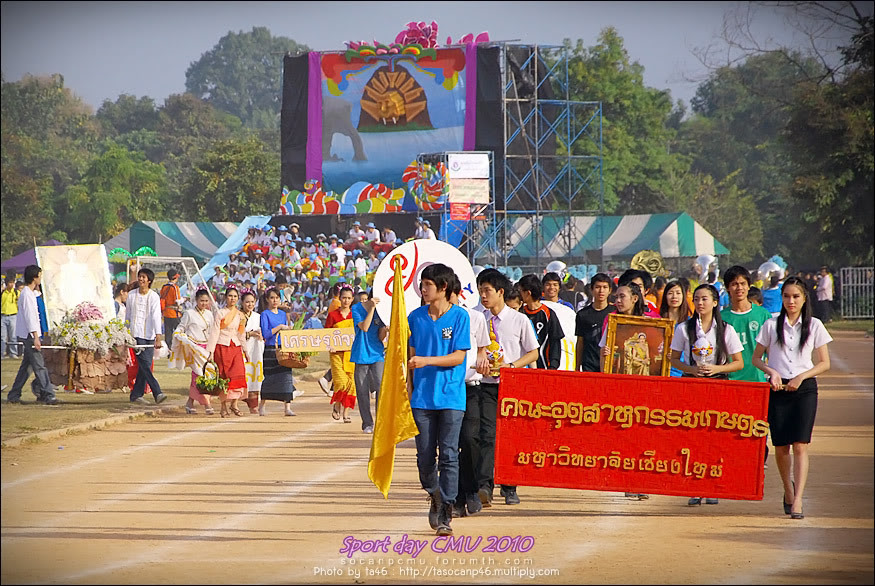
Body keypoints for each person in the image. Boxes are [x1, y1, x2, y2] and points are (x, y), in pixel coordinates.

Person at [752, 276, 832, 520]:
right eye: (786, 296)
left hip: (804, 388)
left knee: (800, 444)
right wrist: (772, 372)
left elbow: (824, 363)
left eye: (796, 296)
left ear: (804, 298)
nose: (791, 301)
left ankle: (798, 500)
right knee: (781, 446)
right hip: (778, 389)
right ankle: (788, 490)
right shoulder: (771, 324)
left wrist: (801, 377)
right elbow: (756, 358)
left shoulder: (815, 325)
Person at [407, 263, 472, 536]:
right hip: (421, 398)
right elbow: (409, 357)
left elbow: (459, 356)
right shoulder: (415, 317)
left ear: (443, 287)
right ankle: (433, 492)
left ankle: (446, 508)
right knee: (424, 457)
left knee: (448, 455)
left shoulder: (460, 317)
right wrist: (409, 389)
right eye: (422, 284)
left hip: (451, 397)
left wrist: (426, 361)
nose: (423, 289)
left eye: (428, 285)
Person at [671, 284, 744, 505]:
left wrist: (717, 369)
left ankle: (712, 484)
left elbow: (738, 363)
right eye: (697, 299)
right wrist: (692, 370)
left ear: (715, 302)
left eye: (705, 299)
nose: (700, 303)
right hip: (692, 384)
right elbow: (673, 358)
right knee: (692, 434)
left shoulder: (725, 329)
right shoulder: (684, 328)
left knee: (714, 434)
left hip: (718, 384)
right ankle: (694, 485)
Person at [475, 268, 539, 507]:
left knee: (511, 436)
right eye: (481, 290)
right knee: (487, 435)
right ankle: (485, 486)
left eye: (487, 291)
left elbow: (533, 351)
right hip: (485, 385)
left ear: (500, 292)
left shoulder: (518, 319)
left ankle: (510, 486)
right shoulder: (476, 317)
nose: (483, 295)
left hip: (513, 385)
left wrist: (511, 366)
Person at [598, 282, 650, 499]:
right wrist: (606, 356)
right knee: (625, 431)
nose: (618, 301)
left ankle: (642, 480)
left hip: (644, 385)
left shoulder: (650, 324)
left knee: (643, 432)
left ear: (635, 299)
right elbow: (604, 356)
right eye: (616, 297)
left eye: (622, 297)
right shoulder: (611, 323)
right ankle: (628, 480)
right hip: (621, 385)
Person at [451, 275, 490, 519]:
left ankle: (471, 489)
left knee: (470, 440)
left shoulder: (474, 317)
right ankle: (455, 498)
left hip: (471, 386)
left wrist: (483, 360)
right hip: (445, 389)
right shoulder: (429, 318)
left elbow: (483, 349)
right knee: (449, 447)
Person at [6, 265, 56, 404]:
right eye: (39, 275)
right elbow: (30, 318)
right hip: (30, 335)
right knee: (39, 366)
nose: (41, 278)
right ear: (34, 277)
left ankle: (14, 394)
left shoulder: (31, 293)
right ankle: (48, 393)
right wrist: (35, 337)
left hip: (29, 334)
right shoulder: (26, 295)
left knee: (26, 368)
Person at [125, 268, 168, 405]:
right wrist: (125, 332)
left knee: (146, 365)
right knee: (144, 364)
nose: (141, 279)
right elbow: (128, 315)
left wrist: (158, 336)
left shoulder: (154, 296)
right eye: (140, 277)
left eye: (144, 277)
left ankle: (136, 395)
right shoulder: (132, 295)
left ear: (149, 280)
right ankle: (157, 392)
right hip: (135, 334)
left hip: (149, 334)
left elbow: (156, 316)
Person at [206, 285, 248, 418]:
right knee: (224, 377)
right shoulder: (220, 313)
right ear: (225, 297)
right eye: (230, 296)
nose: (233, 299)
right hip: (221, 347)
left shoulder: (240, 315)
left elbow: (241, 334)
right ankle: (223, 406)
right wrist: (210, 351)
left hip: (235, 347)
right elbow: (215, 332)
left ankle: (234, 403)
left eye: (235, 296)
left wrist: (246, 350)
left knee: (238, 374)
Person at [350, 289, 387, 434]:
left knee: (380, 387)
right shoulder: (357, 308)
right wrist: (371, 308)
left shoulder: (382, 311)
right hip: (361, 353)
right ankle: (367, 423)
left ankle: (380, 421)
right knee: (362, 389)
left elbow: (380, 337)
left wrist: (385, 329)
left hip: (377, 354)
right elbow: (364, 327)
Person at [174, 288, 215, 415]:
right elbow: (181, 328)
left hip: (206, 348)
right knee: (199, 374)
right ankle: (207, 404)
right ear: (196, 300)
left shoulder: (209, 314)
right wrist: (180, 336)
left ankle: (190, 402)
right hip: (194, 348)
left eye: (206, 301)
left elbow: (212, 332)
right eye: (201, 300)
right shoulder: (189, 313)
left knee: (206, 375)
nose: (204, 303)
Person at [258, 287, 296, 416]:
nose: (275, 301)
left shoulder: (282, 314)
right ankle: (262, 404)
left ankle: (287, 407)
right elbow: (266, 333)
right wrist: (279, 327)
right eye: (272, 298)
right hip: (270, 349)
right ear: (267, 300)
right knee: (269, 377)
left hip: (283, 348)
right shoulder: (265, 314)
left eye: (277, 298)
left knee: (286, 376)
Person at [517, 274, 564, 370]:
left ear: (528, 293)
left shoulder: (548, 313)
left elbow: (555, 342)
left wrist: (553, 366)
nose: (519, 294)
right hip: (522, 367)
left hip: (544, 367)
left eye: (521, 291)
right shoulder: (520, 313)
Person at [326, 285, 357, 423]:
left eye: (349, 298)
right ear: (339, 298)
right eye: (344, 298)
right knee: (341, 382)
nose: (346, 301)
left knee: (352, 383)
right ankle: (337, 404)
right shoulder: (333, 315)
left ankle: (345, 412)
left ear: (352, 299)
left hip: (352, 354)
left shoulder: (355, 315)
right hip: (336, 355)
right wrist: (329, 346)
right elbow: (326, 334)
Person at [575, 272, 613, 372]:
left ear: (610, 290)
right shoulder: (582, 314)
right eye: (598, 287)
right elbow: (580, 342)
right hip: (589, 364)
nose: (601, 291)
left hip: (609, 363)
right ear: (591, 290)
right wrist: (577, 366)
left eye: (605, 287)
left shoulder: (615, 314)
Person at [659, 280, 693, 377]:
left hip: (680, 374)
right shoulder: (658, 321)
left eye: (678, 293)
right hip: (659, 372)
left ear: (683, 296)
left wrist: (676, 357)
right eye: (670, 293)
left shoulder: (690, 324)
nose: (674, 297)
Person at [240, 290, 265, 415]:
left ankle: (253, 404)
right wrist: (250, 334)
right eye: (247, 302)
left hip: (255, 350)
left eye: (252, 302)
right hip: (241, 349)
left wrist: (260, 336)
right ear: (242, 302)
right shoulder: (238, 316)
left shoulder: (258, 317)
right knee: (240, 376)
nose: (250, 304)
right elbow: (234, 333)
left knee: (254, 376)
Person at [160, 269, 184, 342]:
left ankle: (168, 348)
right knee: (179, 331)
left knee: (168, 332)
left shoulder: (164, 287)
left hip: (166, 312)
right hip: (174, 313)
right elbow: (177, 301)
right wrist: (184, 299)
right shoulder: (175, 287)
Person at [2, 276, 20, 359]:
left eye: (13, 282)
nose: (11, 284)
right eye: (10, 283)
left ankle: (13, 353)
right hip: (3, 316)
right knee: (3, 337)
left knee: (13, 336)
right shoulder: (3, 293)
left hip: (13, 315)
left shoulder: (16, 292)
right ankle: (2, 353)